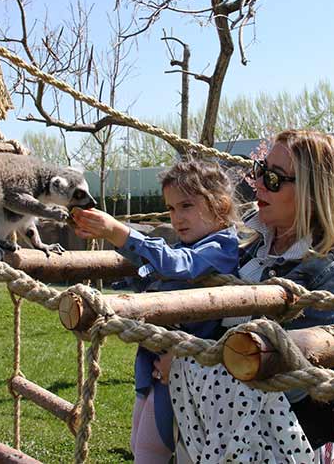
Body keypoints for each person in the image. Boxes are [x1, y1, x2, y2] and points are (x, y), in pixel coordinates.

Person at [170, 129, 334, 463]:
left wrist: (184, 361)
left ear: (313, 193)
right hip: (228, 426)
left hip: (298, 435)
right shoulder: (247, 247)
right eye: (260, 171)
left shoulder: (331, 269)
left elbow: (280, 368)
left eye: (274, 178)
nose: (259, 184)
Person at [72, 159, 240, 464]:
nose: (177, 218)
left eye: (186, 206)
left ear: (220, 205)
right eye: (172, 209)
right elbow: (161, 267)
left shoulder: (221, 247)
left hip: (183, 373)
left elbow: (179, 265)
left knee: (153, 448)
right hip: (155, 366)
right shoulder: (194, 243)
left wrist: (118, 233)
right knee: (140, 441)